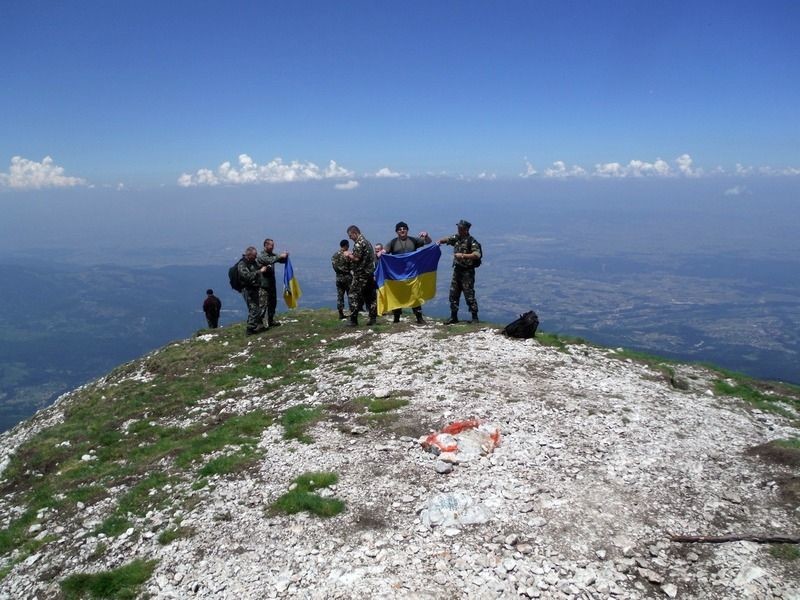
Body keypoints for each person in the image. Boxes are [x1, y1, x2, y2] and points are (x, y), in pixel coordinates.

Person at [385, 221, 432, 324]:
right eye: (400, 229)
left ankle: (419, 317)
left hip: (412, 273)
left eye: (404, 229)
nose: (402, 230)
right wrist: (380, 253)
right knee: (397, 295)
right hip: (398, 274)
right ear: (397, 232)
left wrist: (426, 235)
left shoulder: (413, 240)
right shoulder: (392, 242)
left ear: (407, 230)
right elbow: (384, 252)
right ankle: (396, 318)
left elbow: (428, 242)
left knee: (415, 294)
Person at [438, 219, 482, 324]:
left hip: (467, 272)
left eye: (461, 228)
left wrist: (462, 255)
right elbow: (448, 239)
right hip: (457, 270)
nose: (459, 230)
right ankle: (454, 317)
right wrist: (439, 241)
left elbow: (477, 255)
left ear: (466, 230)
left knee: (469, 294)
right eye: (458, 228)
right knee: (453, 294)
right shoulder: (457, 238)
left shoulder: (472, 241)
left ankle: (474, 318)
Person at [344, 225, 377, 326]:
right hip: (369, 274)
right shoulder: (367, 242)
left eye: (350, 235)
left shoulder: (359, 243)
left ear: (355, 233)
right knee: (370, 297)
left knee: (353, 295)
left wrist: (349, 255)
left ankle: (353, 320)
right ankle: (372, 318)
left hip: (361, 275)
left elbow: (357, 258)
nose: (350, 238)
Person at [257, 238, 289, 328]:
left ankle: (271, 320)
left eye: (273, 245)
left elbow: (279, 259)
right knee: (262, 305)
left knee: (272, 303)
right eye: (271, 245)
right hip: (263, 285)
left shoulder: (272, 255)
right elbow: (269, 260)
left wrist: (285, 257)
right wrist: (280, 256)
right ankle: (259, 323)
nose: (273, 247)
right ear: (266, 245)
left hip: (271, 284)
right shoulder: (261, 255)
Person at [238, 246, 269, 335]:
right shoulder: (242, 264)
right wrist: (260, 272)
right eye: (254, 255)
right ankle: (250, 329)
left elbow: (258, 267)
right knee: (254, 309)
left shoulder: (252, 262)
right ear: (249, 255)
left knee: (257, 308)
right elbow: (246, 276)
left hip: (254, 288)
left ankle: (255, 325)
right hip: (247, 290)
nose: (256, 257)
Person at [331, 239, 353, 320]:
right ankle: (352, 313)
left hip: (339, 278)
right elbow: (352, 265)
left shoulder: (335, 255)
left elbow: (334, 267)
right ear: (346, 245)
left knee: (340, 296)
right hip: (347, 278)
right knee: (350, 295)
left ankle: (341, 314)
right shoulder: (348, 254)